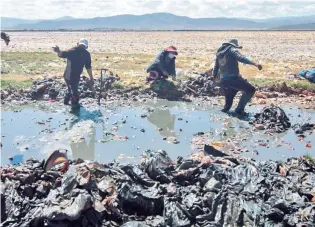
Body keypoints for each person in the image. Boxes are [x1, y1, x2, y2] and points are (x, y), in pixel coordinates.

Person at [212, 39, 262, 115]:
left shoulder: (219, 54)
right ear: (233, 46)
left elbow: (216, 67)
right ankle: (239, 109)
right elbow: (240, 58)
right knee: (251, 90)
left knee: (227, 107)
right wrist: (254, 63)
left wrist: (214, 78)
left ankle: (221, 114)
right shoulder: (232, 50)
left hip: (224, 81)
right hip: (233, 79)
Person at [52, 38, 94, 108]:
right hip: (70, 76)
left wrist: (58, 51)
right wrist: (91, 78)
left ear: (78, 44)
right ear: (86, 46)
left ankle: (67, 104)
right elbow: (88, 67)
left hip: (71, 76)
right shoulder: (84, 53)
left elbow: (62, 54)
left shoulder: (74, 51)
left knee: (71, 90)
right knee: (74, 93)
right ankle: (74, 110)